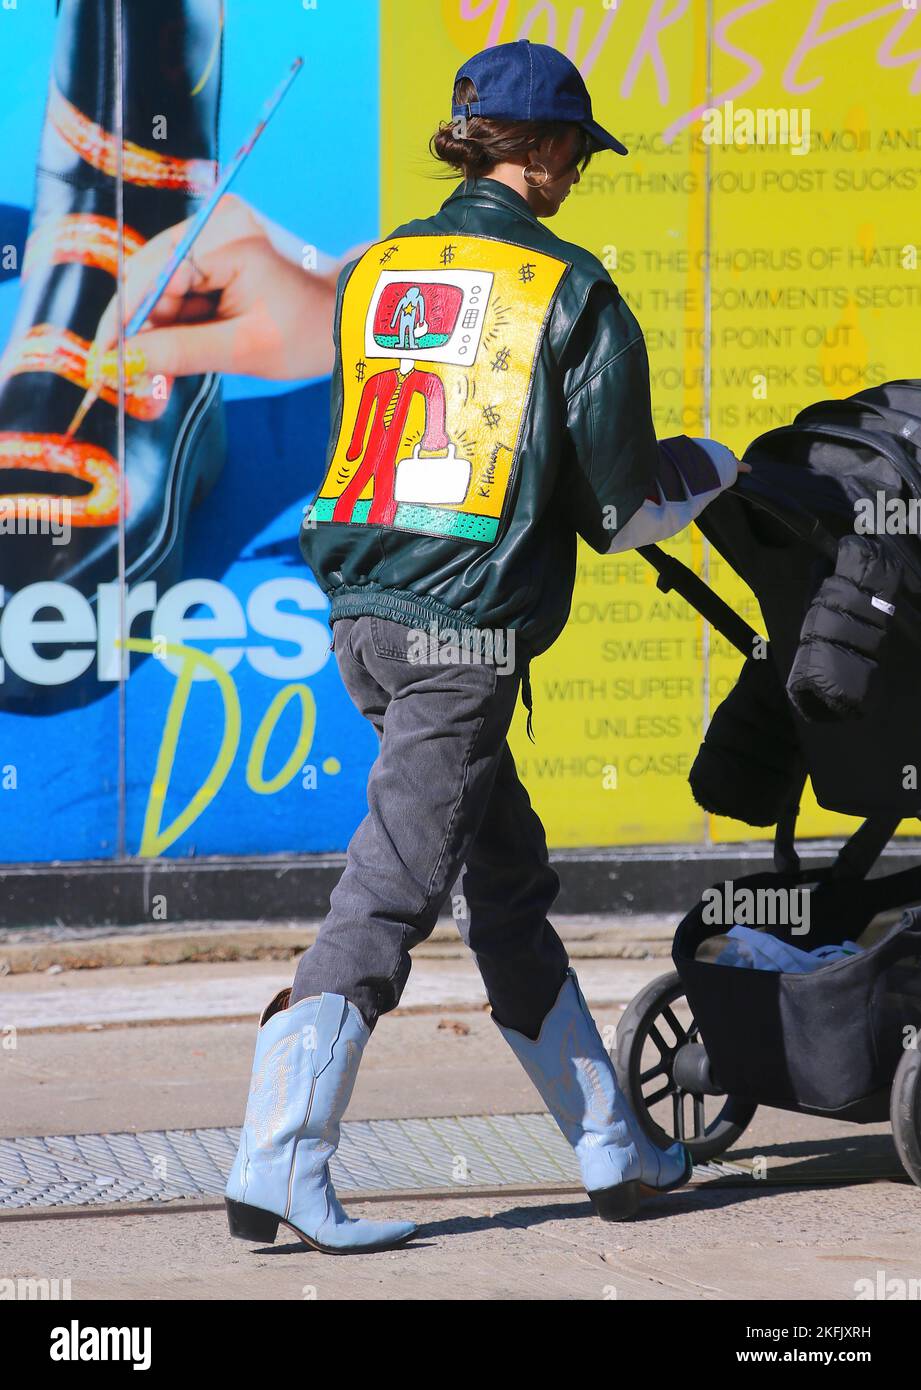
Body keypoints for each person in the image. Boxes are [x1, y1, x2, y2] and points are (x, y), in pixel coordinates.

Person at [96, 40, 748, 1254]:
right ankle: (281, 1160)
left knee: (505, 889)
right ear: (544, 152)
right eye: (575, 153)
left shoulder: (378, 267)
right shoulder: (575, 291)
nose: (578, 175)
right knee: (390, 893)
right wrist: (716, 472)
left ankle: (616, 1145)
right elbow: (621, 516)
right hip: (463, 640)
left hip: (363, 619)